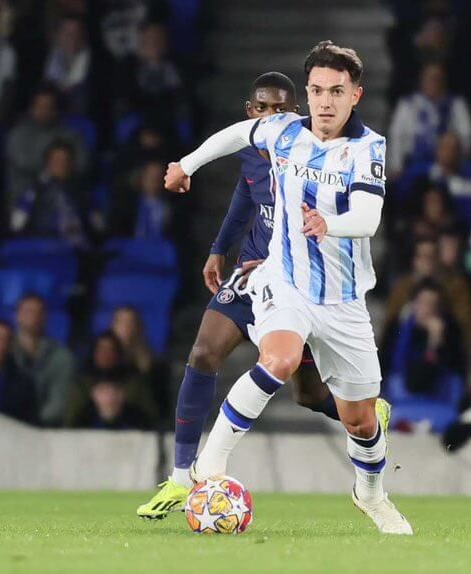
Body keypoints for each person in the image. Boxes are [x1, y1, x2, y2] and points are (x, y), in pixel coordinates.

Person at [163, 42, 411, 534]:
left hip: (342, 299)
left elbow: (368, 216)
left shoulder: (368, 148)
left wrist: (329, 224)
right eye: (317, 90)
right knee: (276, 359)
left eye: (336, 92)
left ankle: (371, 494)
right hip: (285, 280)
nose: (324, 101)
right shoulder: (282, 130)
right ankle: (209, 468)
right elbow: (238, 134)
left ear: (355, 95)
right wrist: (187, 165)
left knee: (362, 421)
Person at [387, 62, 471, 178]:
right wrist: (396, 166)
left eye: (437, 78)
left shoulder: (456, 104)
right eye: (430, 78)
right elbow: (397, 135)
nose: (433, 82)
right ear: (421, 80)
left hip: (449, 167)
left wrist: (457, 160)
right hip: (415, 164)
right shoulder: (408, 104)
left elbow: (467, 135)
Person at [382, 279, 464, 395]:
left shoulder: (450, 331)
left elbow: (453, 368)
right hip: (400, 389)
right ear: (414, 304)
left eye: (433, 304)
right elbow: (388, 363)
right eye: (424, 303)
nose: (428, 309)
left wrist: (435, 341)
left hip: (438, 392)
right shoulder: (397, 327)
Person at [5, 87, 87, 198]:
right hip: (25, 196)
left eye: (49, 107)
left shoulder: (70, 134)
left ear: (56, 109)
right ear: (31, 108)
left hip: (63, 195)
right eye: (40, 106)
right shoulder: (18, 134)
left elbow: (82, 163)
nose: (44, 111)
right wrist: (55, 166)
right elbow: (23, 162)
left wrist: (63, 169)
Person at [11, 294, 76, 427]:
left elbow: (58, 403)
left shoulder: (62, 357)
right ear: (17, 315)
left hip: (44, 432)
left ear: (45, 317)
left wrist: (29, 425)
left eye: (38, 312)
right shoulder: (2, 351)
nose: (33, 317)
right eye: (28, 311)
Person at [9, 141, 88, 248]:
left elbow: (98, 228)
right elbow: (16, 225)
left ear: (72, 164)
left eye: (66, 160)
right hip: (45, 247)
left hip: (78, 249)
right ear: (47, 163)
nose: (62, 165)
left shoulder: (82, 192)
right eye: (57, 160)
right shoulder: (34, 191)